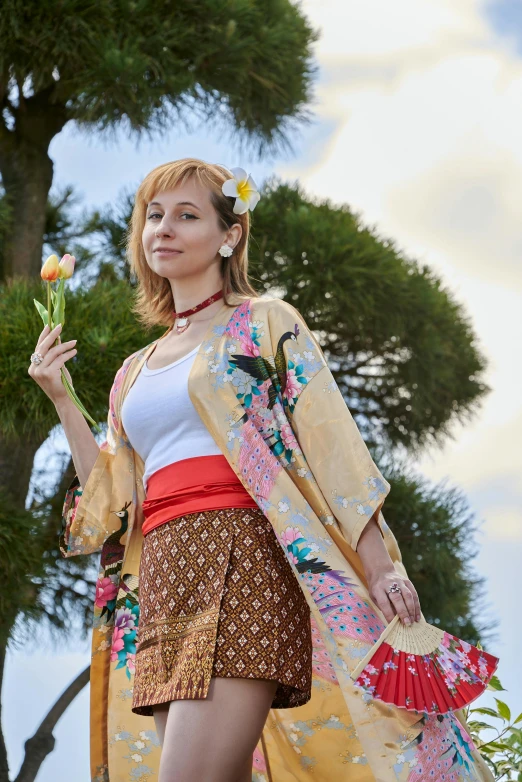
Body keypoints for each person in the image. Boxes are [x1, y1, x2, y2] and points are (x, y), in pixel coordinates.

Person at [28, 159, 493, 782]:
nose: (162, 229)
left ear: (230, 235)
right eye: (154, 216)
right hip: (163, 578)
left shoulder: (266, 322)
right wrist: (61, 398)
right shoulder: (133, 370)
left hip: (243, 557)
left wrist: (379, 565)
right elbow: (114, 501)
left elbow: (334, 446)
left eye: (186, 215)